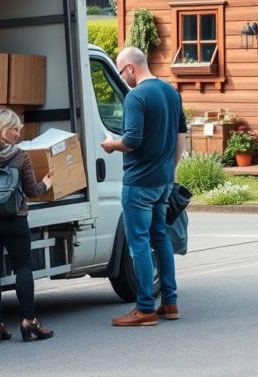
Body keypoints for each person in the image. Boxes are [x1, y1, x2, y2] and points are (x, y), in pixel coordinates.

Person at [101, 46, 187, 326]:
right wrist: (169, 172)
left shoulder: (136, 96)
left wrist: (111, 145)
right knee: (160, 239)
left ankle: (145, 308)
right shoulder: (171, 92)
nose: (121, 76)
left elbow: (132, 140)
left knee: (138, 243)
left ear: (130, 68)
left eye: (120, 70)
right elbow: (180, 137)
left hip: (138, 182)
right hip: (163, 181)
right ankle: (170, 303)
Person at [0, 108, 55, 343]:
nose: (17, 133)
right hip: (14, 220)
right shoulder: (19, 156)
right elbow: (32, 191)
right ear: (2, 130)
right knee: (23, 267)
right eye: (13, 129)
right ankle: (28, 321)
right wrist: (46, 183)